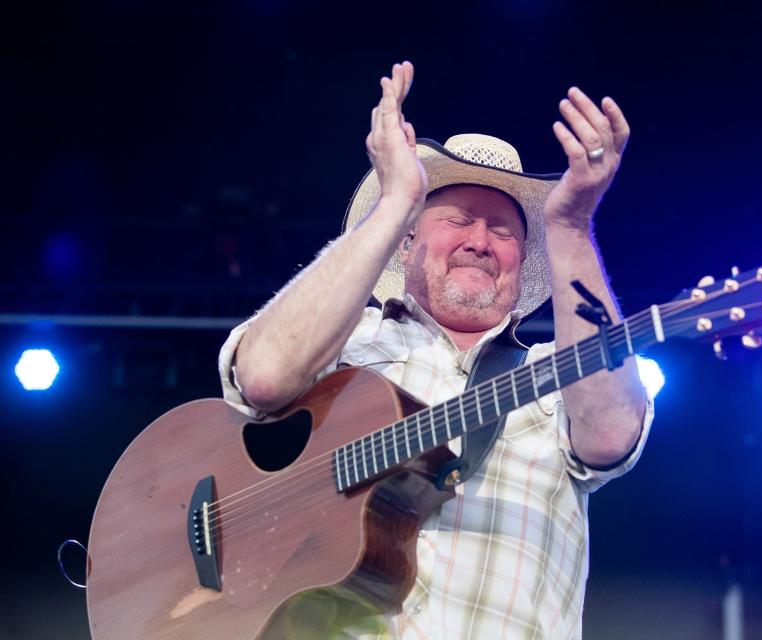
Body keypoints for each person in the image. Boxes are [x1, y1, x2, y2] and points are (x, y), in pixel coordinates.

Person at [218, 61, 653, 639]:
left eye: (503, 232)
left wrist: (570, 226)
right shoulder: (350, 342)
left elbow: (610, 436)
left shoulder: (557, 375)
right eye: (459, 220)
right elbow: (263, 378)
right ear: (407, 246)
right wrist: (397, 199)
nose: (480, 241)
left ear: (522, 263)